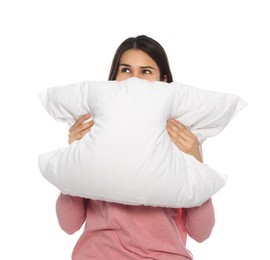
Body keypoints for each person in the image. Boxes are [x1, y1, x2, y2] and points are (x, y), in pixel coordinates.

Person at [56, 35, 215, 260]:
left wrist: (196, 163)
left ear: (164, 80)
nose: (134, 80)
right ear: (114, 79)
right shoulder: (95, 136)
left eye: (146, 71)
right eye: (126, 70)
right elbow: (69, 224)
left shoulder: (180, 140)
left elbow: (201, 232)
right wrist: (74, 157)